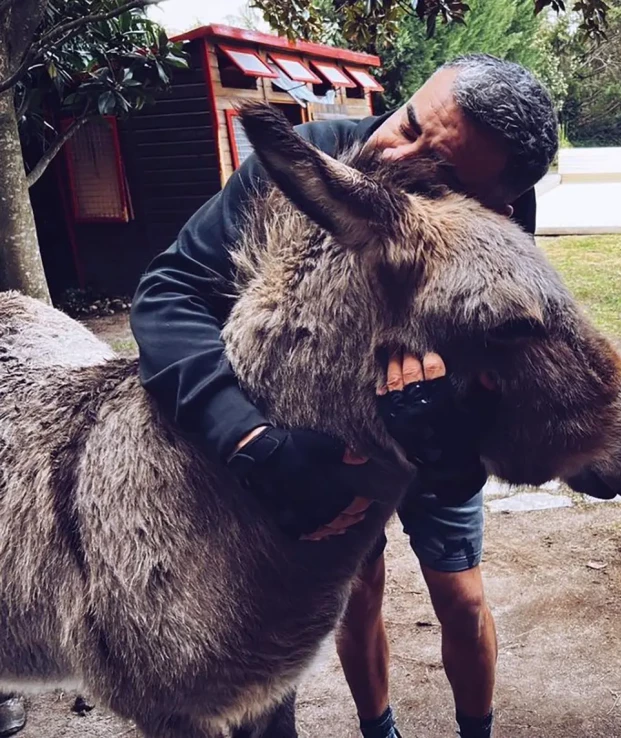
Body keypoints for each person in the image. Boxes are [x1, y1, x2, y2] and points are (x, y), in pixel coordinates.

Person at [130, 53, 558, 738]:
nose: (393, 153)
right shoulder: (313, 165)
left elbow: (508, 365)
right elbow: (168, 293)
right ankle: (377, 730)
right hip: (318, 451)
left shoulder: (504, 226)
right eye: (409, 121)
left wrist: (456, 443)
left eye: (437, 168)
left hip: (427, 435)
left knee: (462, 595)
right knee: (354, 598)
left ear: (494, 205)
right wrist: (248, 439)